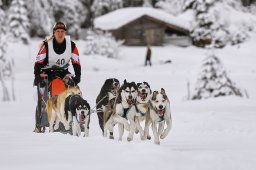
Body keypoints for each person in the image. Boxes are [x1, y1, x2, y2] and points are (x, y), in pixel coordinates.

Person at [33, 22, 81, 133]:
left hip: (63, 72)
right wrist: (37, 76)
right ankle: (39, 125)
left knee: (74, 91)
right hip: (47, 72)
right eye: (58, 31)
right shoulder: (46, 45)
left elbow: (76, 62)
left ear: (65, 33)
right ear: (54, 33)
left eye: (62, 32)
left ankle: (74, 122)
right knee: (43, 97)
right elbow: (38, 62)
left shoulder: (71, 45)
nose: (60, 34)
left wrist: (77, 77)